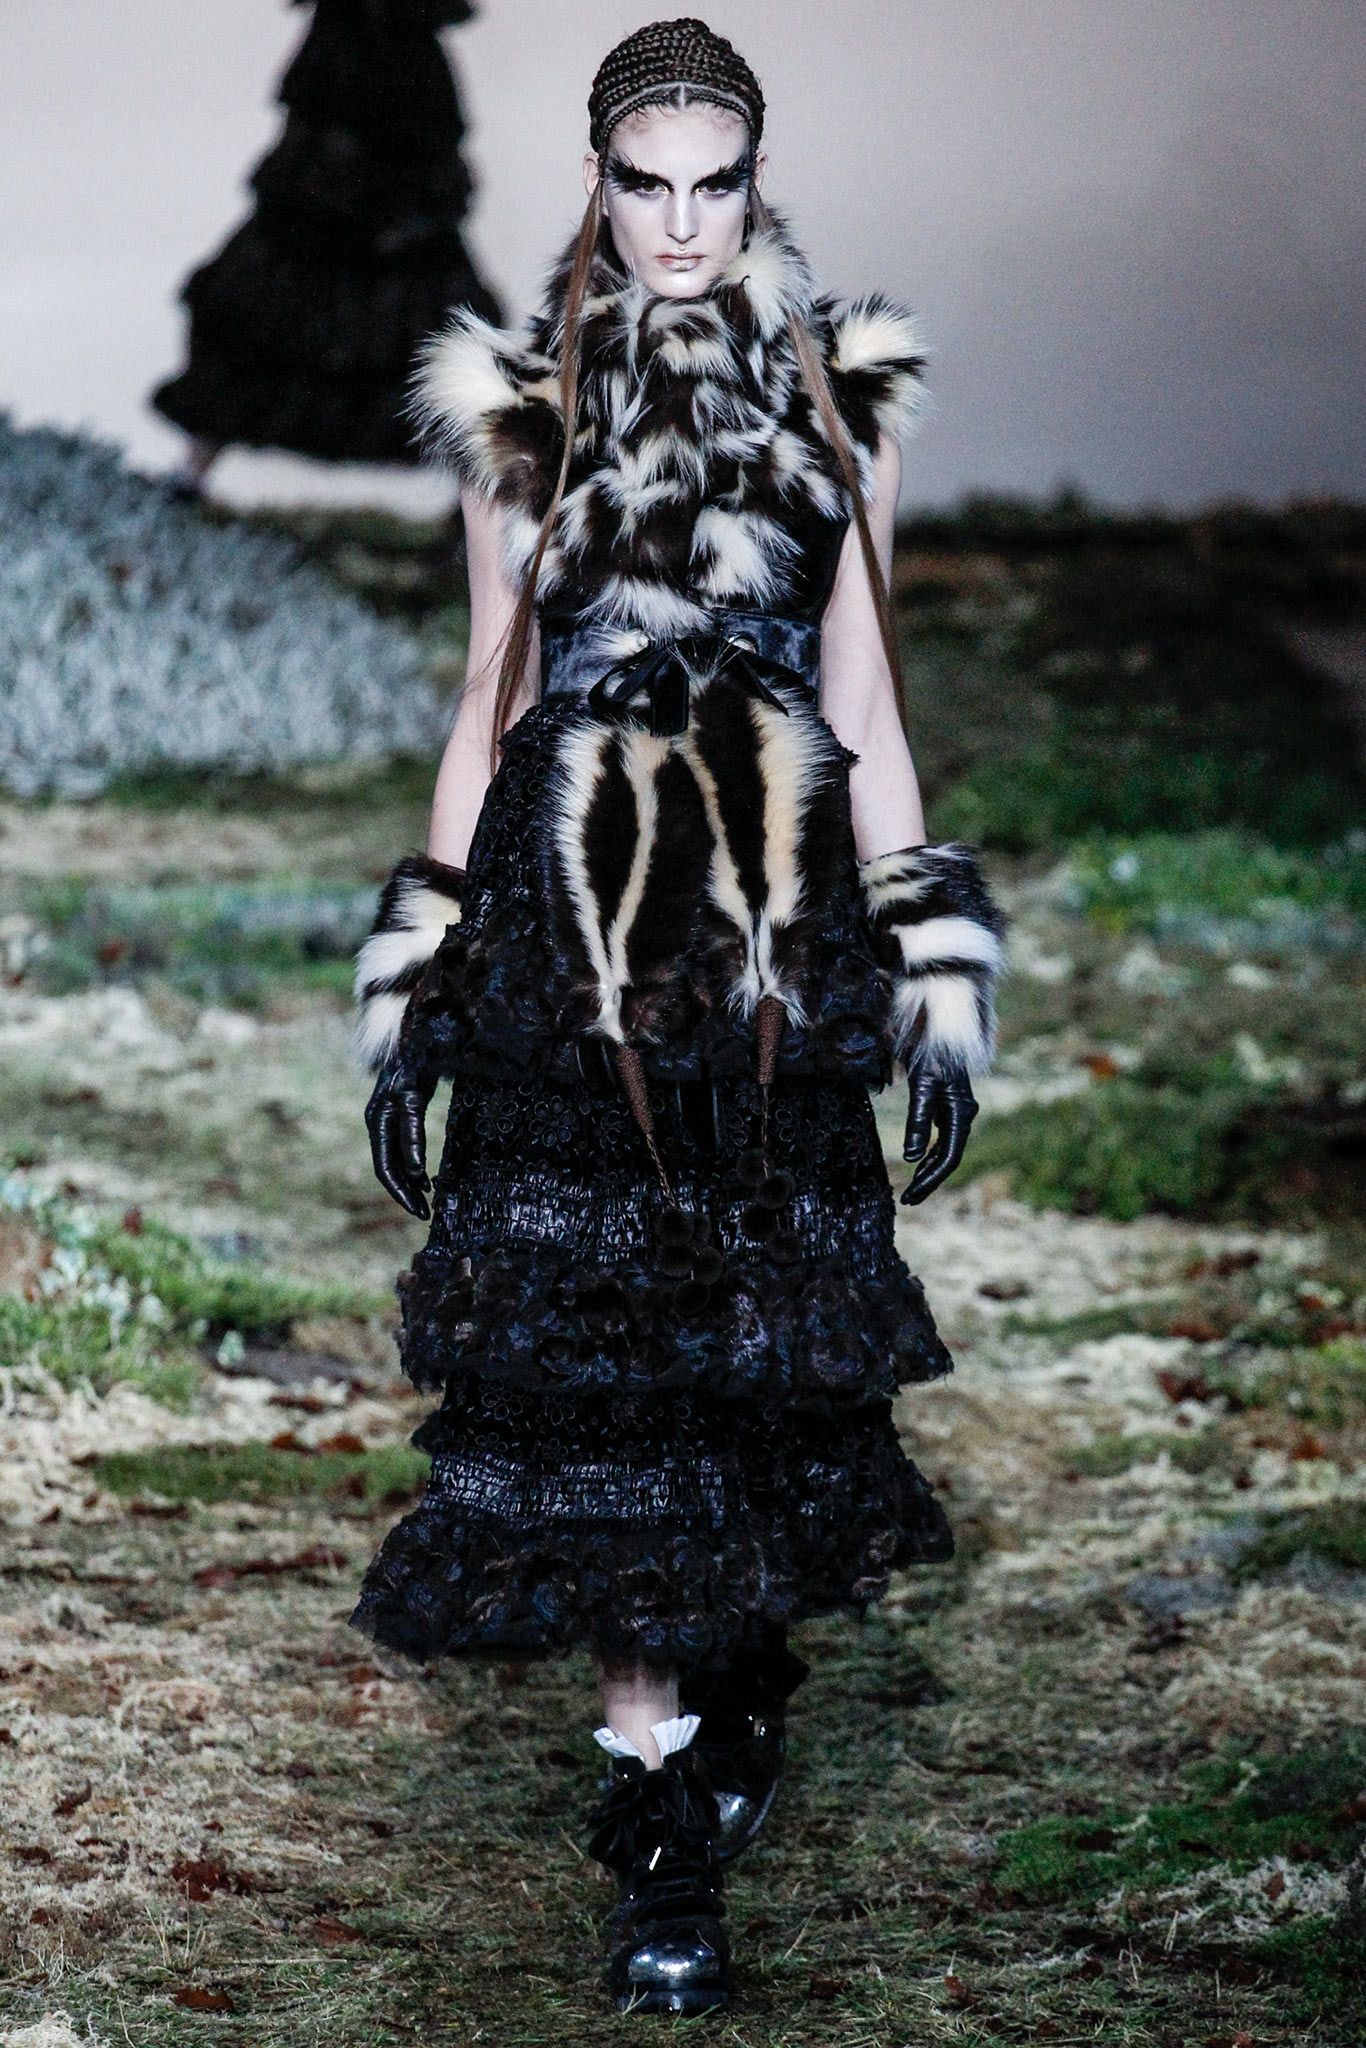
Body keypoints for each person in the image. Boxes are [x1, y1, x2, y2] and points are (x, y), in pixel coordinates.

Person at [347, 16, 1006, 2017]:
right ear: (598, 182)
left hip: (772, 942)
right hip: (568, 944)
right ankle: (658, 1848)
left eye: (714, 182)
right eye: (647, 182)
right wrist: (416, 967)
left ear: (753, 180)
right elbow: (486, 701)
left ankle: (729, 1690)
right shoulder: (523, 413)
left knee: (755, 1373)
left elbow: (863, 699)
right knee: (600, 1386)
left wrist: (930, 959)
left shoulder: (840, 404)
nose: (683, 221)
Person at [152, 0, 499, 497]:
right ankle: (193, 470)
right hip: (334, 126)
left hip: (399, 128)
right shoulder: (339, 46)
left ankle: (474, 501)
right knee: (261, 310)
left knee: (428, 329)